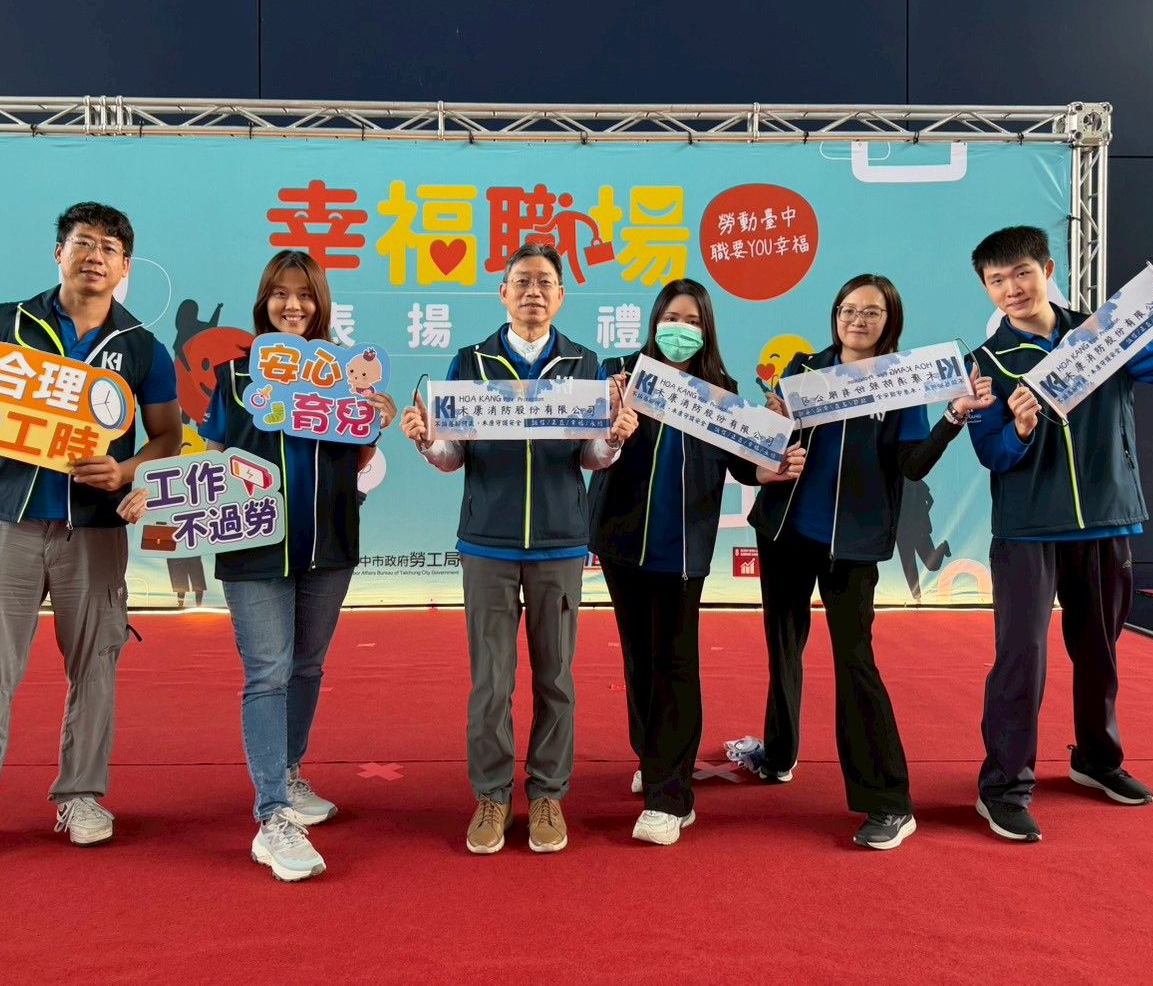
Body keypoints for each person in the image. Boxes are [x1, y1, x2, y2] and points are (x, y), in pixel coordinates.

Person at [0, 202, 183, 869]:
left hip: (95, 531)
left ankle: (80, 796)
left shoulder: (142, 347)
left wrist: (125, 470)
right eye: (83, 243)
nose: (95, 256)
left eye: (109, 248)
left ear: (125, 266)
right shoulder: (4, 324)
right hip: (8, 522)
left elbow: (168, 435)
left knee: (95, 668)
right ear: (59, 252)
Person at [124, 249, 394, 882]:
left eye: (304, 294)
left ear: (320, 302)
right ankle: (272, 816)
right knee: (268, 671)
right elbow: (214, 455)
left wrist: (375, 419)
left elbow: (360, 463)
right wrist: (159, 493)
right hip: (253, 545)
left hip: (329, 541)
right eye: (280, 293)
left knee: (307, 665)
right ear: (263, 301)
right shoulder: (236, 375)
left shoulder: (347, 374)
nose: (292, 305)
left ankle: (289, 773)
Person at [967, 227, 1153, 843]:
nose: (1011, 288)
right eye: (996, 281)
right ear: (986, 288)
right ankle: (1003, 786)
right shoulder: (986, 364)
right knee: (1021, 660)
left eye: (1021, 273)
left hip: (1107, 517)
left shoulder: (1106, 334)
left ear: (1048, 270)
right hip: (1028, 530)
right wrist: (1018, 431)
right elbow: (991, 453)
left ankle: (1097, 761)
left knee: (1100, 651)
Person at [400, 240, 637, 855]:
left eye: (544, 283)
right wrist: (425, 440)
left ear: (561, 296)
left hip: (559, 542)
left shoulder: (584, 364)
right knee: (491, 682)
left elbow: (591, 456)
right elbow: (452, 456)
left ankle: (549, 794)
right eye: (522, 281)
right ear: (503, 293)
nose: (533, 291)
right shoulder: (470, 361)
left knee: (556, 678)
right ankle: (492, 795)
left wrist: (614, 438)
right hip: (488, 542)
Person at [750, 273, 995, 850]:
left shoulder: (901, 383)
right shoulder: (805, 370)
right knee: (782, 645)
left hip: (852, 545)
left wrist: (953, 417)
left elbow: (911, 465)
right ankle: (778, 755)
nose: (857, 319)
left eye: (871, 312)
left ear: (891, 321)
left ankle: (888, 801)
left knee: (855, 662)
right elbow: (772, 449)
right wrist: (774, 420)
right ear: (835, 314)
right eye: (848, 309)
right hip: (784, 532)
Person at [587, 278, 803, 845]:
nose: (679, 329)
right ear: (654, 321)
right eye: (671, 318)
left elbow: (740, 465)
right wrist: (608, 407)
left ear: (705, 329)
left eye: (691, 321)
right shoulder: (620, 373)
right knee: (638, 659)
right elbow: (592, 447)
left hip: (681, 548)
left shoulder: (721, 391)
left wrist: (768, 468)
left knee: (675, 663)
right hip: (621, 541)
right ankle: (656, 757)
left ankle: (671, 797)